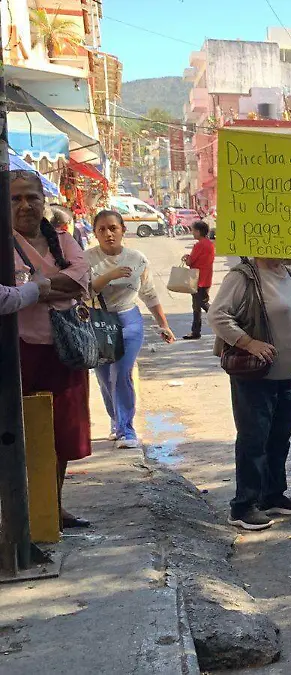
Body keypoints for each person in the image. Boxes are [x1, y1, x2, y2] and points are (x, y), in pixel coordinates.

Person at [9, 171, 91, 529]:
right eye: (16, 198)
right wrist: (57, 288)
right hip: (19, 353)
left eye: (32, 197)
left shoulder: (62, 239)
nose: (26, 205)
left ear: (44, 201)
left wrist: (34, 287)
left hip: (65, 351)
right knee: (21, 435)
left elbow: (82, 279)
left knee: (63, 432)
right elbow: (10, 291)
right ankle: (20, 513)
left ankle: (53, 508)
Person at [210, 256, 291, 531]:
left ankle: (272, 494)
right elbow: (218, 314)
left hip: (290, 375)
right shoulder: (243, 276)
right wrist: (248, 342)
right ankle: (244, 505)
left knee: (280, 438)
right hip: (257, 377)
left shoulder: (289, 274)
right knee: (253, 439)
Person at [87, 210, 176, 448]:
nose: (108, 234)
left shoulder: (137, 258)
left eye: (113, 228)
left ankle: (127, 430)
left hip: (129, 321)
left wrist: (163, 325)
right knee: (104, 377)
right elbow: (85, 292)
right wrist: (109, 276)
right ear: (95, 233)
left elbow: (149, 293)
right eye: (102, 229)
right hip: (98, 323)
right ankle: (116, 421)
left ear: (123, 229)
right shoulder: (86, 259)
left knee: (121, 374)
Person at [181, 221, 215, 340]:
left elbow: (190, 262)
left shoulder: (199, 245)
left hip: (198, 278)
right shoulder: (209, 244)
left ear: (199, 232)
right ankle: (195, 331)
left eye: (194, 230)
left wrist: (186, 258)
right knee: (197, 304)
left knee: (201, 304)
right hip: (206, 277)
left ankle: (222, 321)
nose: (192, 233)